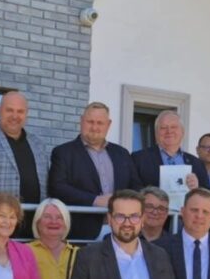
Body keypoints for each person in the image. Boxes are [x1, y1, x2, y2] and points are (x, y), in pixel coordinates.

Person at [49, 102, 141, 240]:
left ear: (108, 125)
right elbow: (57, 188)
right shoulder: (63, 152)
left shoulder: (122, 153)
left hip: (120, 230)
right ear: (81, 121)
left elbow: (136, 187)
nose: (95, 127)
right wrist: (95, 200)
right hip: (81, 231)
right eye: (90, 122)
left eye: (100, 123)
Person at [131, 111, 210, 191]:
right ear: (156, 133)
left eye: (174, 127)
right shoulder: (139, 159)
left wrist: (197, 189)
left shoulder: (197, 163)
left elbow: (208, 196)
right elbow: (133, 190)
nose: (169, 131)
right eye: (163, 128)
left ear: (182, 132)